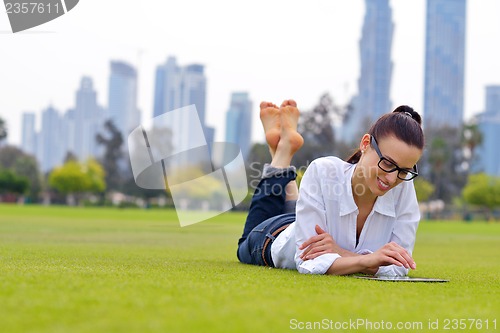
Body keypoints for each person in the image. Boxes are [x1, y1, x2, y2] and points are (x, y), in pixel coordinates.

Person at [237, 99, 424, 276]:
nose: (392, 178)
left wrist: (339, 252)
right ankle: (283, 150)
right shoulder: (324, 170)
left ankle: (280, 148)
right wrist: (369, 261)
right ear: (365, 144)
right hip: (274, 236)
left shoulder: (403, 186)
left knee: (297, 212)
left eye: (404, 170)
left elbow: (399, 266)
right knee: (244, 244)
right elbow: (308, 262)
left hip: (303, 221)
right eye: (387, 163)